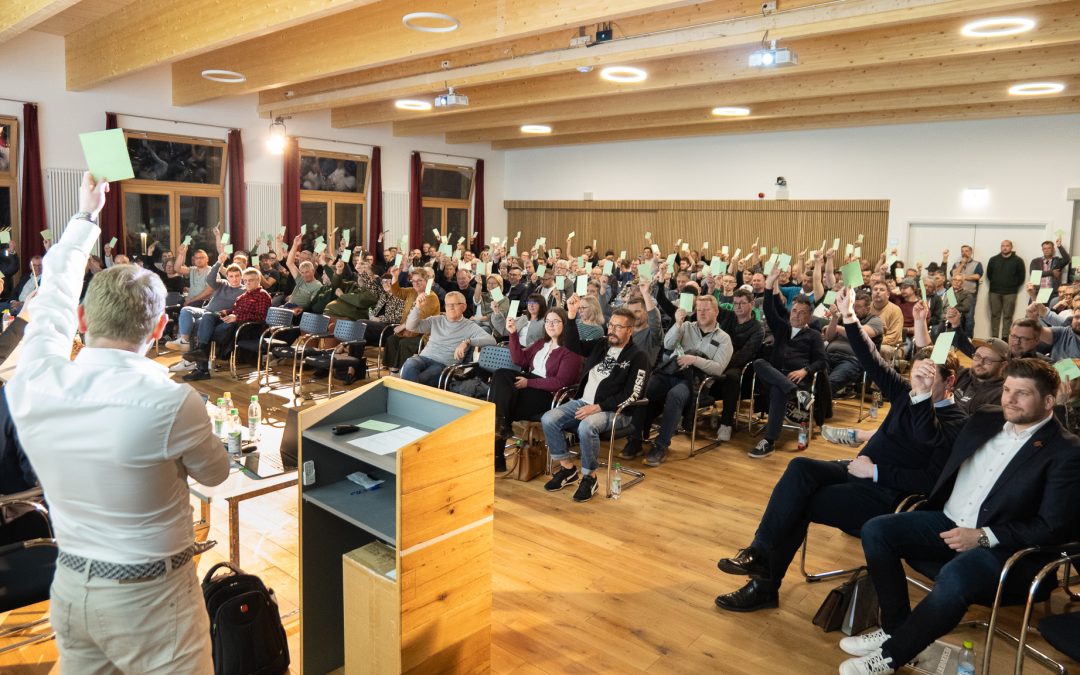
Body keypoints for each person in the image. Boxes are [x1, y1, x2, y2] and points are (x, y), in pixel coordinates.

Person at [7, 173, 229, 672]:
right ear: (160, 326)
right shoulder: (172, 402)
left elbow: (53, 301)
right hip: (152, 599)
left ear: (83, 322)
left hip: (69, 587)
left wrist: (86, 217)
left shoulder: (34, 381)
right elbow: (215, 474)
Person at [715, 286, 966, 613]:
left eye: (927, 376)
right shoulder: (909, 393)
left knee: (800, 502)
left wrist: (875, 471)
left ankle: (764, 586)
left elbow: (929, 481)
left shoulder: (955, 420)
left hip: (888, 493)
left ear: (950, 382)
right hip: (858, 470)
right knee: (800, 468)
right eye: (916, 372)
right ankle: (760, 553)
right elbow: (872, 361)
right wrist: (849, 317)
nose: (916, 381)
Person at [839, 358, 1080, 675]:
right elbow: (933, 440)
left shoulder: (1066, 450)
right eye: (1007, 389)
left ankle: (891, 656)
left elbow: (1051, 526)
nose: (1009, 398)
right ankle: (896, 628)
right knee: (877, 531)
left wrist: (983, 536)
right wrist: (923, 395)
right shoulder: (986, 417)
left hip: (1003, 548)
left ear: (1048, 401)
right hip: (948, 521)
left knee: (955, 577)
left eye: (1022, 393)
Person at [541, 296, 649, 503]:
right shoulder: (602, 344)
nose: (612, 330)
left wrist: (597, 407)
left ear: (630, 330)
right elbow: (574, 346)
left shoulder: (638, 357)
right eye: (611, 325)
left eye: (619, 327)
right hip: (583, 402)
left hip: (615, 411)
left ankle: (590, 477)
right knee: (548, 419)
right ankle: (567, 469)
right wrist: (571, 318)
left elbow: (633, 394)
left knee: (586, 427)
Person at [621, 294, 732, 466]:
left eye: (706, 310)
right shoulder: (686, 326)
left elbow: (718, 368)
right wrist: (678, 324)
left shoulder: (723, 338)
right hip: (670, 372)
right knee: (644, 389)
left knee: (675, 395)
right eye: (699, 309)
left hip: (695, 381)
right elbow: (668, 344)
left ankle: (661, 445)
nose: (702, 313)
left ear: (716, 312)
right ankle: (634, 440)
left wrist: (694, 360)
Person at [490, 307, 583, 471]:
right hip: (528, 387)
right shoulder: (541, 343)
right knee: (502, 383)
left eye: (555, 321)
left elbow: (561, 382)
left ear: (565, 324)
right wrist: (512, 334)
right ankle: (500, 428)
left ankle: (497, 455)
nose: (550, 325)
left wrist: (529, 383)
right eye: (547, 321)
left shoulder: (571, 350)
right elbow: (519, 360)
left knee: (502, 405)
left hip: (549, 395)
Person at [748, 266, 826, 459]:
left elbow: (821, 361)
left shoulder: (814, 335)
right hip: (779, 375)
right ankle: (797, 394)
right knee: (758, 362)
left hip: (797, 377)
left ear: (809, 317)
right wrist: (769, 284)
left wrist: (805, 371)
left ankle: (769, 441)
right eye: (794, 311)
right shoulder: (782, 328)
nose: (796, 315)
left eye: (801, 313)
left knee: (777, 389)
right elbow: (768, 308)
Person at [912, 301, 1007, 415]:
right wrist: (919, 321)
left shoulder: (1001, 394)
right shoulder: (963, 375)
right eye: (977, 356)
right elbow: (929, 355)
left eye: (988, 360)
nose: (980, 362)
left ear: (1004, 365)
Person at [184, 267, 272, 381]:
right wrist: (224, 312)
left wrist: (236, 317)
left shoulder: (262, 295)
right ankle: (201, 357)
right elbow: (234, 310)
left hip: (246, 329)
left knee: (204, 331)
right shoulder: (244, 295)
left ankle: (202, 367)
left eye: (251, 280)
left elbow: (261, 317)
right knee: (208, 316)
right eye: (245, 280)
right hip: (233, 323)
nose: (247, 283)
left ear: (258, 280)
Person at [401, 290, 496, 386]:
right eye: (447, 304)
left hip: (443, 364)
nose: (450, 307)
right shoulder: (436, 320)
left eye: (454, 304)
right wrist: (417, 307)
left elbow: (492, 340)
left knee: (423, 378)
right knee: (409, 364)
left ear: (463, 307)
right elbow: (410, 327)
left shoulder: (470, 326)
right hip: (424, 357)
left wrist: (467, 342)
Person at [711, 288, 764, 441]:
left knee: (731, 377)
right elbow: (712, 307)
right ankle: (688, 416)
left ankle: (726, 424)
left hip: (741, 368)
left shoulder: (758, 329)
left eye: (742, 303)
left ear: (752, 304)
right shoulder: (728, 316)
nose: (738, 307)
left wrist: (719, 365)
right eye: (735, 303)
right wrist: (710, 287)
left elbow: (745, 354)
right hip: (719, 360)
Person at [824, 290, 883, 394]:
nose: (853, 309)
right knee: (811, 374)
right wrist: (834, 318)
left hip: (852, 360)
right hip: (829, 355)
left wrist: (838, 327)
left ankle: (813, 404)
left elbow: (859, 334)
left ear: (868, 308)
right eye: (852, 305)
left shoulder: (875, 321)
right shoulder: (843, 317)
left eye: (858, 306)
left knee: (830, 383)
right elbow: (828, 337)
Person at [985, 239, 1026, 339]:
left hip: (1010, 292)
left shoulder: (1018, 260)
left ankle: (1005, 337)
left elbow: (1021, 277)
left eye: (1007, 245)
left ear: (1011, 247)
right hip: (994, 291)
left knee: (1008, 316)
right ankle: (994, 337)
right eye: (1002, 245)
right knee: (995, 315)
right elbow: (989, 274)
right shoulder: (993, 259)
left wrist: (1012, 285)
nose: (1004, 247)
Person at [948, 245, 983, 331]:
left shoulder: (977, 264)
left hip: (970, 293)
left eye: (967, 251)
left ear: (971, 252)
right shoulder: (956, 264)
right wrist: (962, 264)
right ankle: (957, 336)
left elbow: (977, 276)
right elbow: (954, 275)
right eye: (962, 251)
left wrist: (963, 277)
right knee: (954, 315)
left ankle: (968, 338)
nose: (964, 253)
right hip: (955, 293)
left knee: (969, 317)